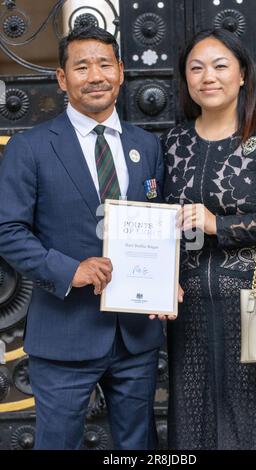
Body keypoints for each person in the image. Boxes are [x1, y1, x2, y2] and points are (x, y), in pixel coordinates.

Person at [0, 26, 165, 450]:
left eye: (105, 64)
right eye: (81, 66)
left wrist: (166, 279)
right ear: (61, 78)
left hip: (135, 337)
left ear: (121, 72)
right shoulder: (29, 148)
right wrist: (68, 269)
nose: (95, 75)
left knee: (137, 447)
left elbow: (158, 227)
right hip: (64, 334)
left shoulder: (146, 146)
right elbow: (8, 230)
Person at [162, 28, 256, 450]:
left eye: (221, 66)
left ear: (242, 74)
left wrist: (216, 226)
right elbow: (162, 223)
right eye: (196, 67)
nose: (209, 76)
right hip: (192, 313)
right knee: (195, 421)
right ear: (185, 78)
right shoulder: (174, 141)